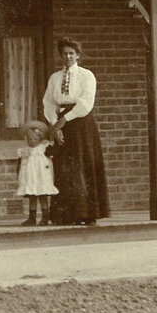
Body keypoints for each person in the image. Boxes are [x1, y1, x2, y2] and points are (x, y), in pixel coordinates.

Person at [42, 38, 110, 226]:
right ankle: (66, 214)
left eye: (71, 53)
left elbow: (86, 103)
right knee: (65, 167)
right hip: (61, 125)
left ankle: (87, 213)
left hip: (81, 123)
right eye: (64, 53)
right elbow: (48, 102)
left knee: (83, 164)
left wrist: (64, 121)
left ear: (78, 55)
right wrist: (55, 125)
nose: (68, 56)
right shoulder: (55, 78)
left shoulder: (86, 76)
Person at [17, 121, 57, 227]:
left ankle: (45, 217)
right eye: (30, 139)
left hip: (41, 177)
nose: (32, 141)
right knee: (32, 197)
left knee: (42, 196)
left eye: (35, 139)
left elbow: (52, 153)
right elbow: (20, 164)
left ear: (40, 139)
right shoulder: (25, 151)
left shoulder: (43, 148)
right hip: (31, 178)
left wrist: (51, 140)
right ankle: (32, 218)